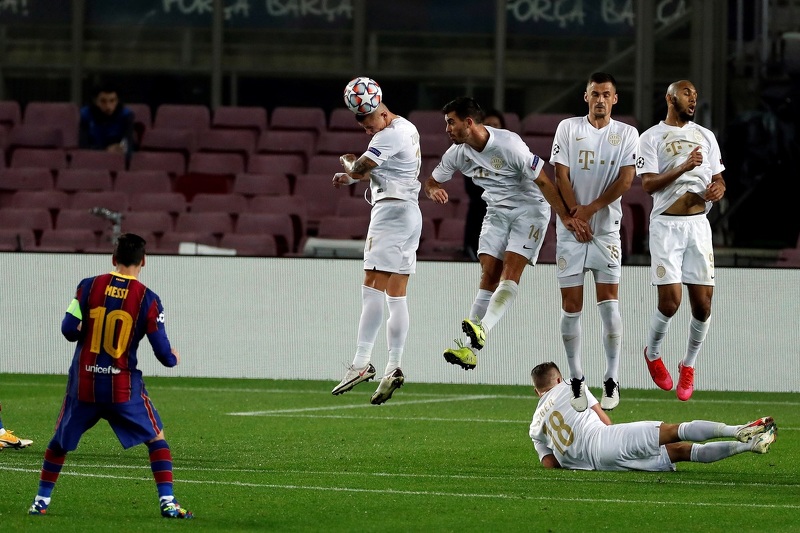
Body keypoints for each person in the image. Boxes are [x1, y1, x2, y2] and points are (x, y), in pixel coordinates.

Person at [29, 233, 192, 519]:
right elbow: (164, 356)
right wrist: (175, 357)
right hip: (121, 387)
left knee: (59, 442)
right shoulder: (148, 299)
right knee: (156, 438)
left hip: (85, 384)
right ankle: (167, 502)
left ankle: (40, 502)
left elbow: (68, 329)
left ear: (113, 259)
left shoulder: (87, 286)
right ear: (144, 261)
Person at [424, 96, 592, 370]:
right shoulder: (457, 152)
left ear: (468, 123)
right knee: (489, 274)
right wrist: (433, 189)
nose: (447, 129)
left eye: (451, 123)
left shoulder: (509, 145)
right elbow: (431, 181)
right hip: (496, 212)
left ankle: (482, 330)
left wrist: (564, 216)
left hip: (529, 210)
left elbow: (544, 181)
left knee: (509, 274)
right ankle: (469, 350)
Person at [549, 73, 639, 412]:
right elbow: (561, 175)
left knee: (610, 305)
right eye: (594, 94)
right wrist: (575, 217)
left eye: (606, 94)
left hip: (605, 231)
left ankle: (612, 378)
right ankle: (576, 378)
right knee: (571, 306)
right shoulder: (568, 128)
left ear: (615, 99)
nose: (600, 99)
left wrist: (590, 211)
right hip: (571, 230)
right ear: (585, 97)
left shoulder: (627, 133)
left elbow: (627, 179)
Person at [330, 79, 422, 405]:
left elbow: (360, 166)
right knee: (397, 295)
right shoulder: (407, 129)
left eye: (369, 124)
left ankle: (360, 362)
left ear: (381, 113)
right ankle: (394, 365)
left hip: (391, 216)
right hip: (410, 214)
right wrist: (353, 175)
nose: (369, 131)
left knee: (371, 286)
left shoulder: (389, 134)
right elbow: (386, 170)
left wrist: (348, 166)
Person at [637, 80, 726, 401]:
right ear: (670, 97)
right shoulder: (651, 137)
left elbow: (717, 178)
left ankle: (688, 365)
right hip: (666, 227)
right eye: (687, 93)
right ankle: (653, 352)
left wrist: (719, 188)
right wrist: (683, 166)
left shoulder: (706, 136)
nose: (693, 99)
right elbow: (648, 185)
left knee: (702, 306)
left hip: (698, 226)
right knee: (670, 303)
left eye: (695, 95)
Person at [529, 361, 777, 471]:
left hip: (600, 466)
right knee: (674, 431)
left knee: (680, 451)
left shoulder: (534, 424)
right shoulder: (571, 385)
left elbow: (551, 464)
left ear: (536, 390)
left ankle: (750, 446)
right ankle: (736, 430)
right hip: (606, 441)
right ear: (559, 379)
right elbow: (605, 421)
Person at [461, 109, 504, 260]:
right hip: (478, 213)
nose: (492, 127)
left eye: (495, 124)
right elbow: (470, 186)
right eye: (488, 124)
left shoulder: (512, 152)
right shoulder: (470, 153)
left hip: (506, 213)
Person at [78, 81, 135, 159]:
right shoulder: (85, 115)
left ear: (117, 100)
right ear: (95, 101)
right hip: (92, 158)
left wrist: (121, 148)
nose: (108, 106)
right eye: (103, 101)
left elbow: (127, 145)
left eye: (112, 101)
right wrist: (105, 150)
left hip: (116, 159)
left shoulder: (126, 116)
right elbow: (82, 146)